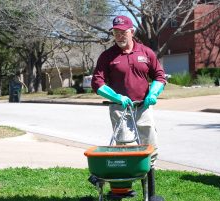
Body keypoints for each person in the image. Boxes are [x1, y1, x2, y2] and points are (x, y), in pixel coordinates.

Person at [91, 15, 166, 199]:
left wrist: (153, 94)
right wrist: (116, 97)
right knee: (126, 148)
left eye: (123, 32)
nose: (119, 35)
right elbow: (97, 83)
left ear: (131, 32)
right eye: (116, 32)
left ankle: (150, 194)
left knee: (150, 148)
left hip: (143, 107)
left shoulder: (146, 52)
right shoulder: (107, 56)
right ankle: (121, 190)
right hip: (120, 108)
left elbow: (159, 76)